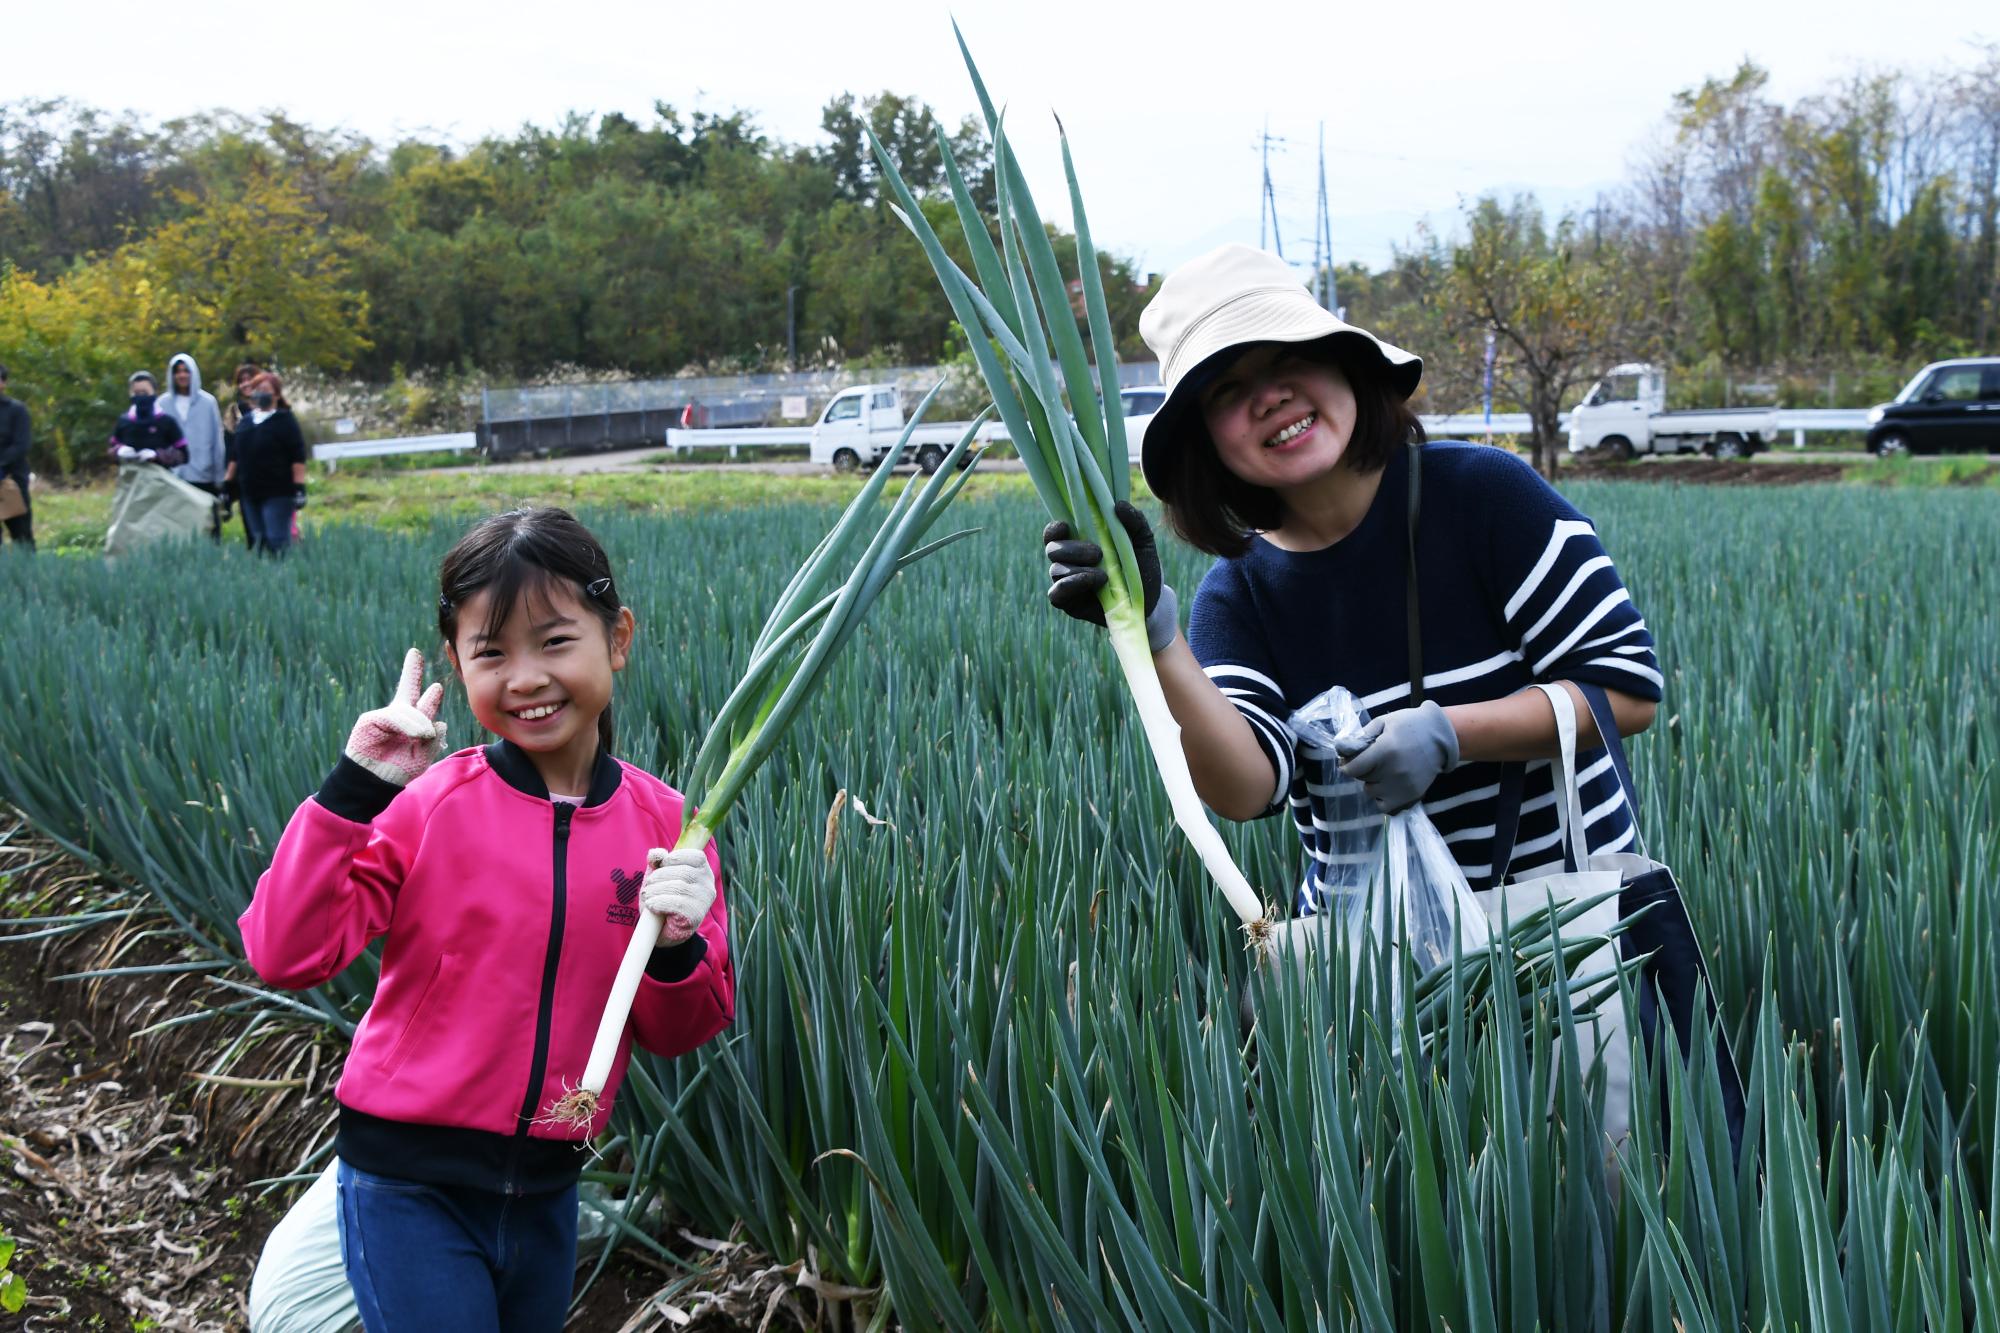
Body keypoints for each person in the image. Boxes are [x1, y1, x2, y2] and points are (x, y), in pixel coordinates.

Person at [1043, 244, 1660, 916]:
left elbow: (1626, 692)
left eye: (1287, 359)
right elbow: (1248, 788)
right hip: (1371, 960)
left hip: (1563, 929)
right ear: (1204, 440)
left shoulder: (1485, 498)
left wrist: (1449, 733)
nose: (1270, 397)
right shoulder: (1238, 595)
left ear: (1344, 362)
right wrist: (1154, 635)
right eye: (1227, 390)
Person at [238, 506, 735, 1332]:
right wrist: (354, 788)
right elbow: (286, 951)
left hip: (547, 1184)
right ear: (455, 664)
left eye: (555, 641)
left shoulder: (668, 827)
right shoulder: (433, 805)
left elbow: (678, 1027)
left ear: (618, 638)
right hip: (407, 1181)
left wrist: (677, 946)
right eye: (492, 652)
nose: (526, 677)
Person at [225, 371, 307, 555]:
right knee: (258, 541)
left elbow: (297, 456)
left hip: (278, 491)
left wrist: (299, 487)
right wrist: (228, 484)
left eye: (265, 390)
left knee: (277, 540)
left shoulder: (284, 420)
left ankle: (284, 578)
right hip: (250, 492)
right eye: (257, 390)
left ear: (276, 395)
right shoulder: (246, 422)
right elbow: (235, 455)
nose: (260, 394)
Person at [163, 353, 229, 532]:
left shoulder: (207, 403)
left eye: (186, 371)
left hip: (203, 475)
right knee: (178, 527)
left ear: (193, 373)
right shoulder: (163, 403)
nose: (182, 375)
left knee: (208, 526)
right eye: (178, 371)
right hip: (173, 477)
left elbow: (217, 440)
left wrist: (219, 477)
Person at [108, 371, 189, 468]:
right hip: (130, 480)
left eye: (145, 392)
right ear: (130, 394)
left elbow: (184, 455)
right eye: (136, 393)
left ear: (154, 392)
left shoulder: (167, 422)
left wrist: (157, 456)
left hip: (159, 480)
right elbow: (111, 451)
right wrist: (119, 452)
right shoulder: (124, 421)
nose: (141, 396)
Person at [0, 364, 32, 552]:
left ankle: (27, 577)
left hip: (12, 479)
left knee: (21, 533)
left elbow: (21, 445)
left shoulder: (16, 410)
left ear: (3, 383)